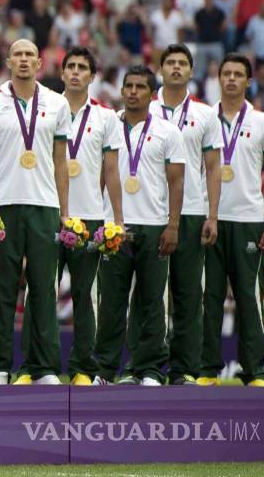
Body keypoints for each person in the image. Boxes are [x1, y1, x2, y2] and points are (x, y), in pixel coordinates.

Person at [15, 47, 123, 385]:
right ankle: (33, 368)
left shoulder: (107, 117)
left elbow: (112, 172)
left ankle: (82, 368)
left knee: (85, 295)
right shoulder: (45, 108)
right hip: (50, 214)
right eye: (70, 67)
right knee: (38, 292)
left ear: (93, 76)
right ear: (62, 74)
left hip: (90, 216)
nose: (75, 72)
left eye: (82, 68)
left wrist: (115, 220)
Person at [0, 38, 70, 385]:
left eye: (29, 55)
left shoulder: (57, 103)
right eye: (17, 54)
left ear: (39, 64)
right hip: (4, 205)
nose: (23, 60)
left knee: (43, 288)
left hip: (45, 205)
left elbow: (60, 161)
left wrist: (65, 213)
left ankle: (43, 367)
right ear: (8, 61)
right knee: (3, 288)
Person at [94, 65, 185, 386]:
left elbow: (176, 182)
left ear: (151, 93)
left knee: (151, 300)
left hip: (154, 224)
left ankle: (148, 369)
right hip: (114, 226)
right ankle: (104, 370)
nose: (133, 91)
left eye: (140, 87)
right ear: (121, 90)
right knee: (111, 303)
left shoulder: (168, 131)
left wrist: (173, 225)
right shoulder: (107, 126)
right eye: (128, 86)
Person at [199, 54, 264, 387]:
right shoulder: (202, 120)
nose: (231, 79)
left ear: (248, 81)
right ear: (218, 79)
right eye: (226, 73)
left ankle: (255, 372)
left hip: (249, 219)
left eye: (238, 74)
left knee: (249, 296)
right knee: (210, 297)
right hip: (209, 218)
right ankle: (207, 370)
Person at [148, 43, 221, 385]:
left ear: (191, 71)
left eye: (182, 63)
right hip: (148, 210)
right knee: (148, 294)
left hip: (192, 210)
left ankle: (185, 369)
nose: (176, 68)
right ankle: (147, 367)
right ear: (160, 69)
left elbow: (213, 167)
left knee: (188, 294)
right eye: (170, 63)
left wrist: (213, 215)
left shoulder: (206, 114)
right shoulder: (142, 108)